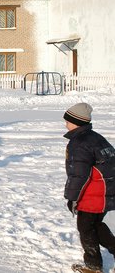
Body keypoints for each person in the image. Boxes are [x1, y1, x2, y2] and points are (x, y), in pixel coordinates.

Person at [63, 103, 115, 273]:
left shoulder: (79, 143)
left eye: (67, 120)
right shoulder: (95, 137)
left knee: (85, 229)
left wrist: (72, 197)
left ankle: (93, 267)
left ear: (76, 122)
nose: (65, 124)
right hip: (106, 191)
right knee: (95, 225)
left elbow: (79, 175)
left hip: (93, 194)